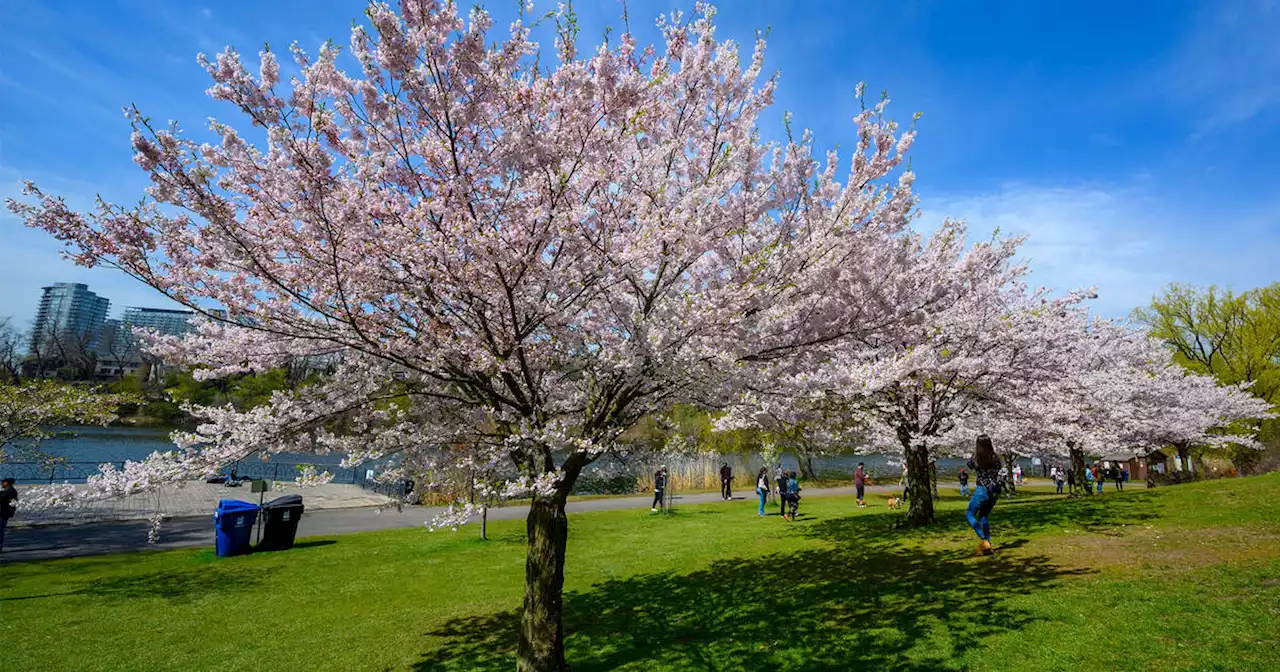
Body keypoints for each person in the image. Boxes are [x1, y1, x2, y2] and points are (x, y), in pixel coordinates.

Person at [965, 435, 1002, 556]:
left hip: (982, 489)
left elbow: (969, 464)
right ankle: (988, 544)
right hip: (995, 490)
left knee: (970, 513)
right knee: (983, 517)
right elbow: (1000, 467)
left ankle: (983, 538)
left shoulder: (977, 458)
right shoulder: (995, 457)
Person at [0, 477, 17, 553]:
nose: (1, 484)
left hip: (2, 514)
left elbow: (3, 501)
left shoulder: (9, 492)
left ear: (7, 483)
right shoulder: (9, 491)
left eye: (3, 482)